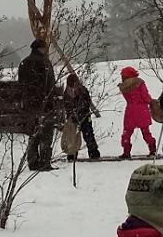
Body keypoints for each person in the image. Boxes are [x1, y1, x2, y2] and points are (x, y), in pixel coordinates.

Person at [18, 38, 58, 172]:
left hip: (29, 105)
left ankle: (33, 161)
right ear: (41, 48)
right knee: (46, 134)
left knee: (33, 134)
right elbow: (49, 84)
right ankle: (45, 161)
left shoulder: (24, 63)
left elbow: (21, 85)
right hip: (44, 104)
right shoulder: (45, 63)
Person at [61, 72, 102, 162]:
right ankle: (72, 154)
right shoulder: (67, 93)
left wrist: (78, 112)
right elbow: (66, 105)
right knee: (72, 137)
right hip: (73, 118)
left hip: (85, 116)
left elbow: (86, 103)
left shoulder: (82, 91)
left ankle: (93, 152)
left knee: (88, 134)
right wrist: (72, 114)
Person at [118, 66, 157, 160]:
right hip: (142, 110)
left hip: (130, 110)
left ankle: (126, 152)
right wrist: (151, 102)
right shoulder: (140, 83)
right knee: (146, 132)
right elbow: (145, 96)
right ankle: (152, 150)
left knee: (127, 133)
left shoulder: (123, 86)